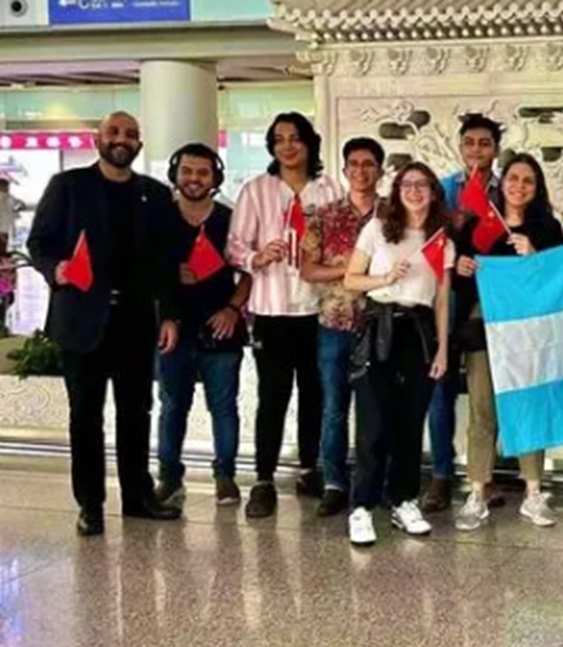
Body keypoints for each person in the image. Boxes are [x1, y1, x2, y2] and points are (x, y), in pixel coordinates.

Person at [26, 111, 182, 535]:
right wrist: (55, 269)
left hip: (135, 320)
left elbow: (166, 262)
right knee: (85, 416)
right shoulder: (68, 186)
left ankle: (138, 497)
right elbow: (38, 242)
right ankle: (90, 504)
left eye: (131, 134)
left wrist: (169, 314)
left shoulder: (153, 194)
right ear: (98, 138)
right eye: (114, 132)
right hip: (81, 320)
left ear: (139, 144)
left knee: (136, 413)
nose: (122, 139)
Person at [228, 112, 343, 519]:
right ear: (272, 147)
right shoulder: (256, 189)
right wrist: (258, 255)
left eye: (295, 138)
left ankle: (311, 467)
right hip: (272, 309)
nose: (288, 146)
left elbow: (343, 240)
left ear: (309, 143)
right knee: (272, 397)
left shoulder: (329, 188)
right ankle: (263, 479)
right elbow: (234, 246)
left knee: (317, 393)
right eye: (279, 140)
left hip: (318, 308)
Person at [453, 153, 563, 531]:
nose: (519, 186)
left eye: (528, 181)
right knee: (483, 408)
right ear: (502, 184)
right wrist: (462, 268)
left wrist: (535, 256)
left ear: (537, 188)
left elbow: (559, 281)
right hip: (484, 323)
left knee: (529, 402)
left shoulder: (548, 229)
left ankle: (534, 493)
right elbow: (460, 282)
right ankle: (476, 493)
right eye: (513, 178)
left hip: (528, 327)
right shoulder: (478, 226)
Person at [342, 162, 451, 545]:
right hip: (379, 328)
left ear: (434, 192)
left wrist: (442, 350)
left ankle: (403, 499)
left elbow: (440, 300)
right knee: (373, 423)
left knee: (410, 423)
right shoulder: (376, 229)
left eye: (423, 185)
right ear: (397, 190)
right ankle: (362, 507)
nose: (415, 191)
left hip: (419, 335)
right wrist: (385, 278)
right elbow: (350, 280)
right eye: (407, 184)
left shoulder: (440, 239)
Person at [154, 143, 250, 508]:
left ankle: (225, 475)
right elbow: (143, 270)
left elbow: (251, 272)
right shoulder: (158, 218)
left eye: (203, 173)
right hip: (172, 328)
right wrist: (166, 295)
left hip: (220, 328)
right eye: (188, 171)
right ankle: (169, 478)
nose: (194, 179)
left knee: (224, 407)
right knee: (172, 405)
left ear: (215, 177)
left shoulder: (231, 220)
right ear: (176, 174)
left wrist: (232, 309)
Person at [300, 137, 385, 518]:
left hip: (380, 325)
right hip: (334, 323)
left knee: (379, 409)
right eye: (354, 164)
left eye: (369, 164)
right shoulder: (324, 216)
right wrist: (352, 272)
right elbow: (308, 270)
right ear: (345, 170)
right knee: (334, 408)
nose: (361, 170)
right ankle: (334, 482)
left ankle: (376, 483)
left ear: (380, 170)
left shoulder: (394, 215)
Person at [423, 114, 505, 513]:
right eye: (469, 143)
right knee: (439, 387)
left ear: (496, 149)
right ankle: (440, 474)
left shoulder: (508, 188)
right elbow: (425, 236)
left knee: (484, 391)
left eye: (484, 143)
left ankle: (484, 476)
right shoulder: (443, 188)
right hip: (445, 297)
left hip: (487, 301)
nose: (476, 150)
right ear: (460, 146)